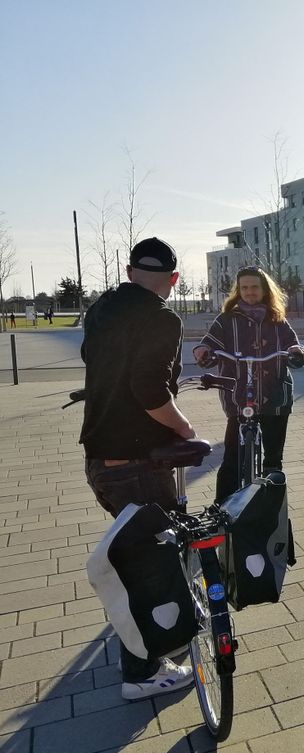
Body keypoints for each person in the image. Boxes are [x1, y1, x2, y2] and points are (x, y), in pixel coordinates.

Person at [79, 236, 195, 701]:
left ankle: (159, 637)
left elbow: (96, 363)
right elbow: (149, 388)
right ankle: (143, 673)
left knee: (140, 553)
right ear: (173, 279)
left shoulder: (102, 309)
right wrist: (184, 429)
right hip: (136, 462)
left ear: (128, 273)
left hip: (99, 458)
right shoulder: (162, 317)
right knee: (151, 562)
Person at [193, 266, 304, 503]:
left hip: (275, 396)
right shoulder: (226, 320)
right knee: (233, 457)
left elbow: (294, 346)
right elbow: (208, 343)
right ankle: (222, 509)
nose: (249, 292)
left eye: (254, 286)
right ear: (238, 290)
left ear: (264, 289)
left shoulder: (277, 319)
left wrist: (296, 351)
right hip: (239, 396)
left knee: (274, 459)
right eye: (244, 287)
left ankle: (273, 506)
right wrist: (203, 351)